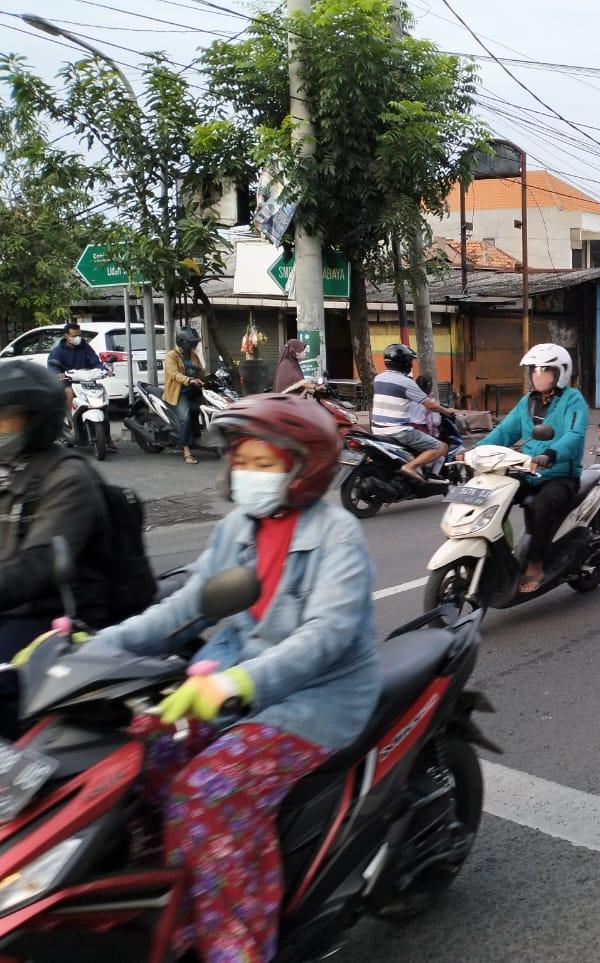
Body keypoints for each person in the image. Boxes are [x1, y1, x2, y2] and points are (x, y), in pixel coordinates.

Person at [73, 393, 379, 962]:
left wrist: (233, 685)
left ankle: (238, 944)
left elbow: (326, 637)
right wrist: (90, 649)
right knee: (136, 752)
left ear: (302, 468)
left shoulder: (338, 535)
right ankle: (179, 901)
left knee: (208, 792)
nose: (246, 475)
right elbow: (185, 607)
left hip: (319, 701)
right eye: (241, 462)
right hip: (233, 685)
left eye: (262, 465)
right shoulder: (239, 524)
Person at [0, 364, 112, 738]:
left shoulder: (68, 477)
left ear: (36, 419)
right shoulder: (11, 469)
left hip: (56, 616)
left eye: (6, 418)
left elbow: (37, 567)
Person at [479, 343, 588, 593]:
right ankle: (500, 555)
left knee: (540, 505)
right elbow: (504, 432)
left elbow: (575, 433)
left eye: (545, 371)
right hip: (526, 470)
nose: (538, 376)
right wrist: (475, 450)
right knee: (491, 496)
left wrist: (551, 453)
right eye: (535, 371)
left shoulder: (573, 399)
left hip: (560, 473)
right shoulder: (526, 402)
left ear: (560, 373)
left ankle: (536, 565)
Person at [372, 344, 449, 481]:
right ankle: (411, 467)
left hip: (377, 430)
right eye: (410, 360)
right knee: (441, 447)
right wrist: (446, 410)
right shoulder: (406, 382)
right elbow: (430, 405)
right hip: (399, 431)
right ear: (405, 362)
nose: (412, 364)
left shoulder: (378, 378)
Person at [163, 326, 206, 465]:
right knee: (185, 416)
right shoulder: (172, 356)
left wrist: (201, 373)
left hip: (193, 391)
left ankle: (197, 437)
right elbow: (174, 374)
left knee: (203, 410)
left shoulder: (193, 355)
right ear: (182, 341)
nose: (193, 345)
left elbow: (201, 372)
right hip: (179, 393)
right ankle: (186, 449)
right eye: (191, 342)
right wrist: (189, 379)